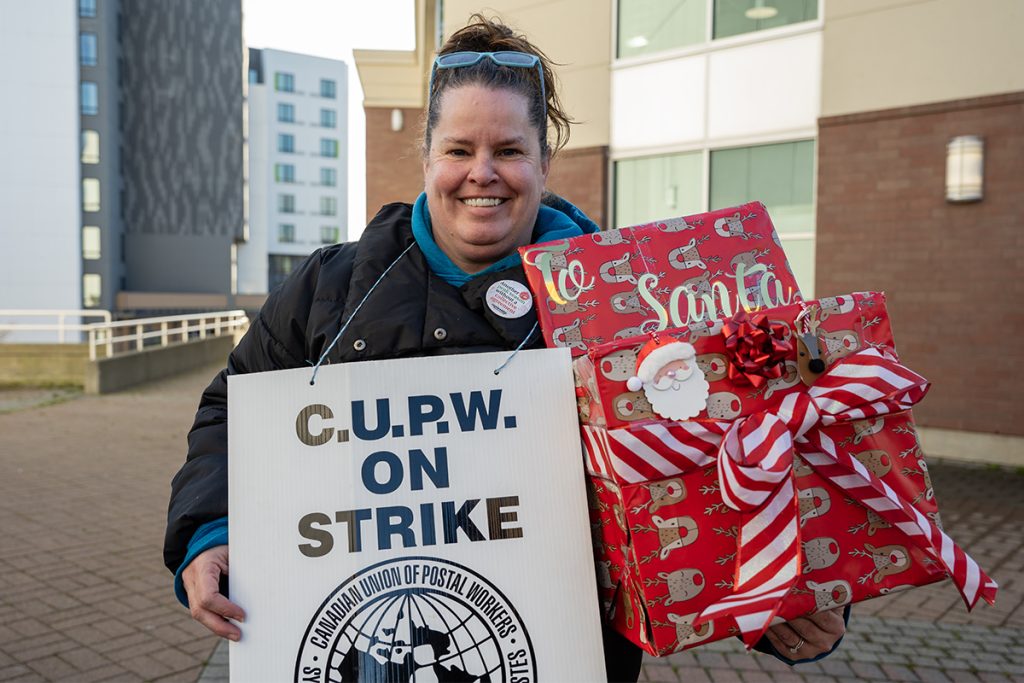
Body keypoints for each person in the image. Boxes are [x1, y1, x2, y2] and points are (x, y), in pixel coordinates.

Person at [163, 14, 847, 682]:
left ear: (544, 162)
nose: (481, 173)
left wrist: (782, 603)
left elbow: (706, 467)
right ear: (427, 155)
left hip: (566, 654)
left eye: (509, 150)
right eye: (459, 149)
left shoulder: (629, 305)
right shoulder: (329, 288)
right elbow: (234, 409)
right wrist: (207, 530)